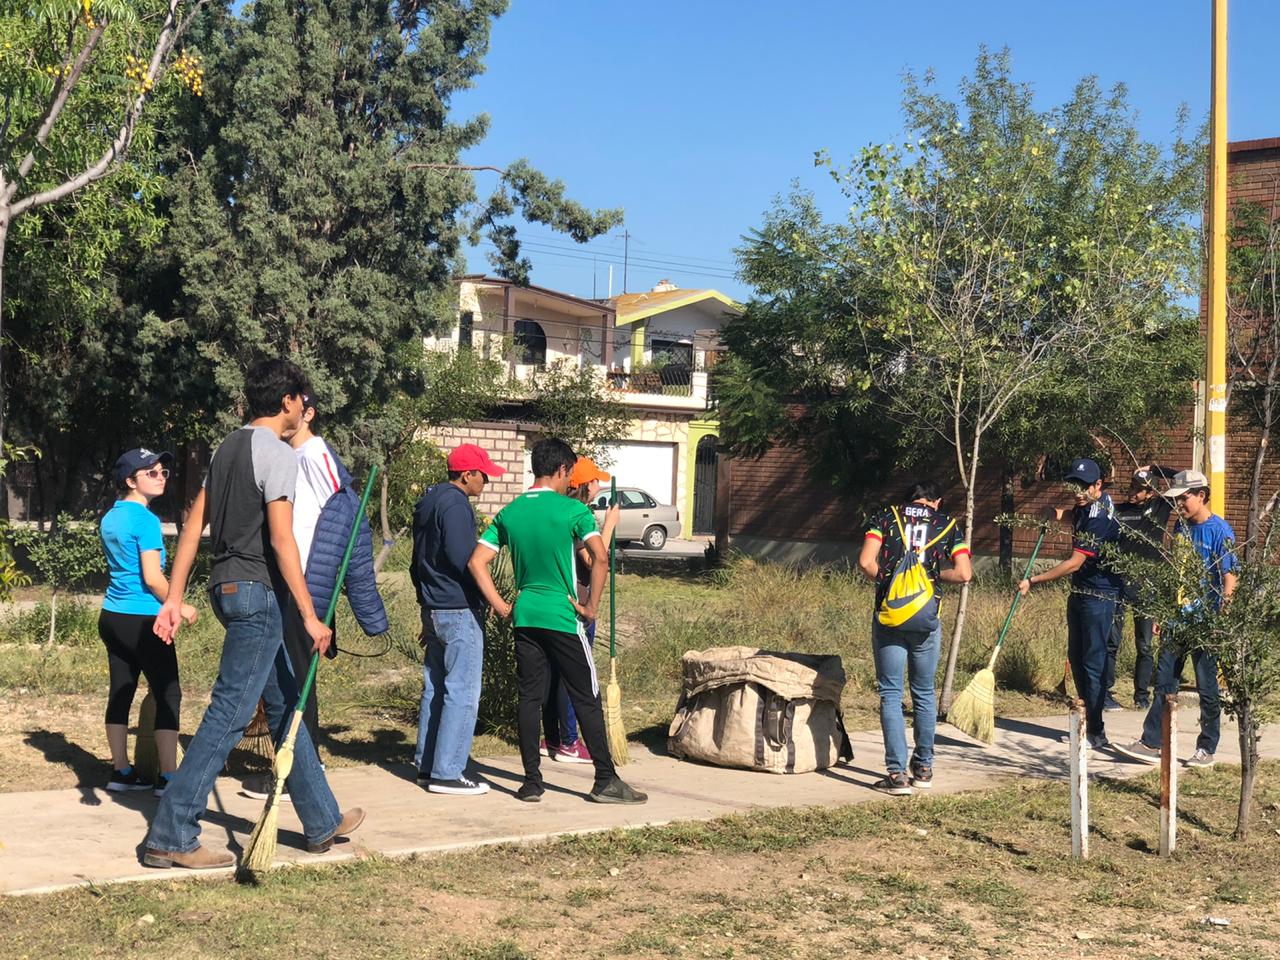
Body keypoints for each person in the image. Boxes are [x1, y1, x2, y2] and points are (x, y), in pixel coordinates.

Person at [142, 359, 363, 870]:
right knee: (231, 712)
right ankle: (172, 834)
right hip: (257, 594)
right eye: (302, 399)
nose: (305, 408)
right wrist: (309, 615)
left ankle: (322, 820)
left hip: (226, 588)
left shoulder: (227, 447)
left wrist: (174, 596)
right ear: (287, 401)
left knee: (284, 703)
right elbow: (282, 540)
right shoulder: (278, 453)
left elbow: (193, 526)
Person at [468, 437, 646, 805]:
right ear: (562, 470)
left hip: (526, 617)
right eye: (569, 475)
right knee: (586, 697)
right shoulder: (573, 511)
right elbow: (599, 558)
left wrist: (502, 605)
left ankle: (532, 782)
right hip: (563, 617)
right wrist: (591, 607)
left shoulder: (510, 512)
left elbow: (476, 561)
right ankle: (605, 780)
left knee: (529, 697)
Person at [244, 393, 388, 801]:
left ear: (307, 413)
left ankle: (300, 773)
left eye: (293, 409)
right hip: (288, 583)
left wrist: (332, 592)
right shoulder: (288, 456)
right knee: (288, 678)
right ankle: (300, 768)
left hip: (305, 586)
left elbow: (346, 514)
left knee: (294, 682)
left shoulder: (315, 454)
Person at [1114, 470, 1237, 768]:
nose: (1179, 504)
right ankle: (1151, 742)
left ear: (1201, 496)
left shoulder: (1220, 531)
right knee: (1165, 683)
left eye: (1184, 498)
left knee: (1207, 687)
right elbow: (1175, 572)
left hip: (1206, 622)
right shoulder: (1181, 528)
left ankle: (1206, 748)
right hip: (1177, 619)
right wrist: (1164, 611)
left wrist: (1221, 619)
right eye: (1176, 499)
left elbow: (1229, 579)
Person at [858, 482, 972, 796]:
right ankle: (923, 768)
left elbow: (866, 562)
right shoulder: (946, 524)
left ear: (910, 499)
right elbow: (964, 573)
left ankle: (896, 775)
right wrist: (932, 578)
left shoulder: (885, 517)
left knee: (891, 693)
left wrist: (889, 581)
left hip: (890, 616)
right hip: (926, 619)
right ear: (937, 501)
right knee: (923, 693)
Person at [98, 448, 198, 796]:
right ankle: (169, 777)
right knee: (168, 692)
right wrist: (180, 605)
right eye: (151, 473)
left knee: (121, 691)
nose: (160, 477)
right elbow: (153, 578)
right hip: (143, 620)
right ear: (130, 481)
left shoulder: (110, 517)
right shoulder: (146, 521)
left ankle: (121, 771)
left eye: (162, 472)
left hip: (112, 617)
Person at [411, 443, 506, 796]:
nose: (486, 482)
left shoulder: (429, 500)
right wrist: (493, 600)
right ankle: (448, 771)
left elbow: (417, 561)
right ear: (467, 474)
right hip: (458, 608)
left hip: (434, 606)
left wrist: (426, 606)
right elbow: (466, 559)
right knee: (462, 690)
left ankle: (427, 765)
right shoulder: (455, 504)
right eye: (483, 475)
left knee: (436, 688)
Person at [1018, 458, 1122, 751]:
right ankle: (1086, 724)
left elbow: (1074, 562)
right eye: (1073, 485)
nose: (1077, 492)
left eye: (1083, 486)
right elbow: (1071, 515)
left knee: (1092, 663)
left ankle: (1096, 732)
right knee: (1076, 658)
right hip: (1080, 592)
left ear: (1098, 485)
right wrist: (1053, 513)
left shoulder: (1099, 516)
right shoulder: (1085, 506)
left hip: (1098, 596)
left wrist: (1034, 580)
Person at [540, 456, 620, 765]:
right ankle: (570, 742)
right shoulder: (577, 514)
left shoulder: (558, 511)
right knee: (574, 675)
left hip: (553, 601)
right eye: (595, 480)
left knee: (555, 672)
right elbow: (592, 560)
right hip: (577, 606)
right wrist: (609, 526)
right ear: (585, 485)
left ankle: (554, 737)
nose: (599, 485)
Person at [1106, 465, 1176, 710]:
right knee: (1111, 641)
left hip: (1146, 586)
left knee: (1144, 645)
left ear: (1151, 493)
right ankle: (1106, 693)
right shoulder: (1117, 510)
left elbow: (1183, 479)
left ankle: (1141, 697)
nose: (1133, 492)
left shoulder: (1160, 508)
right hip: (1117, 583)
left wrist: (1155, 468)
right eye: (1132, 486)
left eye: (1140, 489)